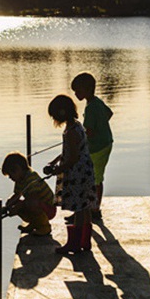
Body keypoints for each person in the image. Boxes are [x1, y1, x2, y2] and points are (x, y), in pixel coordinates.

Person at [45, 94, 97, 254]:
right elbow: (68, 151)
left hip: (77, 175)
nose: (54, 119)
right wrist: (54, 162)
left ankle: (74, 244)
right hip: (86, 171)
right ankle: (85, 241)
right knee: (85, 206)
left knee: (80, 209)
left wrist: (58, 170)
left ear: (61, 113)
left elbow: (73, 158)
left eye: (54, 115)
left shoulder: (70, 132)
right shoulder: (76, 126)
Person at [71, 72, 113, 221]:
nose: (76, 94)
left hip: (98, 147)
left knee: (94, 178)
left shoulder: (90, 109)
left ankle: (93, 210)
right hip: (106, 143)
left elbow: (89, 132)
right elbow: (109, 113)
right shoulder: (97, 102)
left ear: (88, 90)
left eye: (78, 91)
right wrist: (101, 124)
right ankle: (90, 208)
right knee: (96, 177)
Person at [1, 152, 56, 236]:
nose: (10, 177)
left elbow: (33, 199)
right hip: (38, 205)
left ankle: (44, 227)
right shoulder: (20, 180)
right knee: (17, 203)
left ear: (17, 169)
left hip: (49, 209)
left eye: (10, 174)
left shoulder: (31, 177)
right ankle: (34, 224)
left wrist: (17, 207)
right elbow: (16, 195)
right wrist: (8, 206)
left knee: (29, 204)